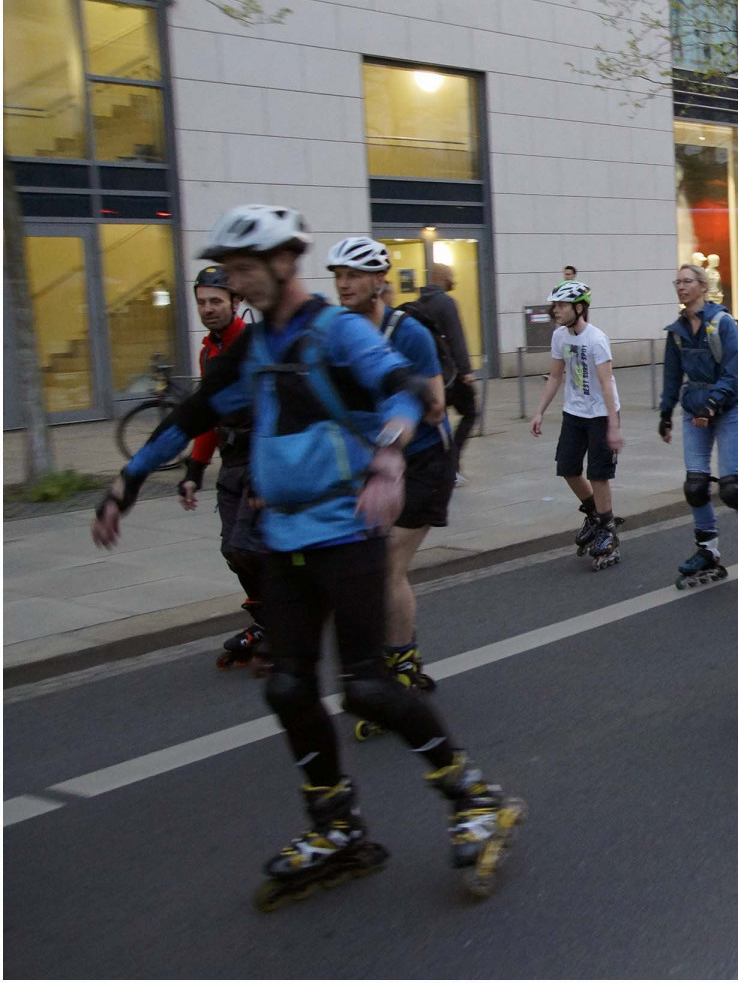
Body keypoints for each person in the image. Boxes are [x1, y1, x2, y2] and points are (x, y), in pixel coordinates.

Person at [95, 204, 519, 905]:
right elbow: (195, 414)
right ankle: (337, 825)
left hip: (347, 534)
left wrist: (388, 457)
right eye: (228, 272)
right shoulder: (256, 346)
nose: (234, 283)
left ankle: (475, 799)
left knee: (368, 688)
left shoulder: (339, 332)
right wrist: (128, 482)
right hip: (286, 541)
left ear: (284, 262)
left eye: (243, 270)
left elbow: (407, 392)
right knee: (287, 686)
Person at [325, 237, 454, 725]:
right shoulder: (338, 333)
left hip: (423, 462)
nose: (344, 284)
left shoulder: (409, 333)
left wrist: (391, 424)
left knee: (387, 566)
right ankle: (390, 658)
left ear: (379, 281)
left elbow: (435, 406)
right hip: (372, 466)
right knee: (362, 569)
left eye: (354, 276)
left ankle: (399, 667)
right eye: (339, 275)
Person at [178, 265, 267, 673]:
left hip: (260, 460)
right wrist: (194, 471)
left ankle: (283, 623)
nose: (208, 308)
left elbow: (274, 411)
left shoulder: (254, 347)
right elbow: (208, 415)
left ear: (236, 302)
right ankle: (269, 621)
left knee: (249, 547)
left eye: (216, 301)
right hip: (230, 463)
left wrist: (267, 473)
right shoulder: (207, 352)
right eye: (202, 302)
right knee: (232, 551)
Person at [658, 263, 738, 590]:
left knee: (731, 489)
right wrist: (665, 413)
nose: (681, 287)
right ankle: (708, 550)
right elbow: (672, 375)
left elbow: (732, 371)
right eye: (677, 282)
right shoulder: (677, 331)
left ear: (702, 286)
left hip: (727, 409)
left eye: (687, 281)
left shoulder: (722, 323)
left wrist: (712, 403)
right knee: (696, 486)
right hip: (694, 410)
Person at [530, 280, 625, 570]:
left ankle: (607, 529)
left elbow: (606, 384)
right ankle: (596, 515)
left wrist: (613, 426)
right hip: (574, 412)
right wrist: (539, 412)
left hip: (601, 414)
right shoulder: (560, 336)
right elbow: (555, 376)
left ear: (579, 308)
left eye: (561, 305)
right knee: (568, 467)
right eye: (555, 305)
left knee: (598, 474)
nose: (555, 310)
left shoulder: (596, 339)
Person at [411, 263, 479, 464]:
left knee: (439, 416)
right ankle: (452, 459)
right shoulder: (446, 303)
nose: (454, 280)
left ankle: (443, 458)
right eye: (451, 276)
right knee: (470, 412)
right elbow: (456, 338)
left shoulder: (419, 303)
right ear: (443, 278)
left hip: (430, 374)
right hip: (450, 374)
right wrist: (465, 371)